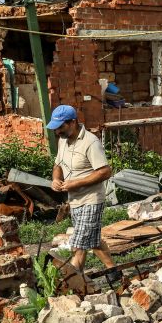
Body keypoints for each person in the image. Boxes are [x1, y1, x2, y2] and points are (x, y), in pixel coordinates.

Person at [47, 105, 115, 270]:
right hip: (75, 201)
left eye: (60, 127)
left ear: (73, 122)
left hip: (91, 199)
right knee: (93, 240)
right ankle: (114, 271)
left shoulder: (90, 142)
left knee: (78, 245)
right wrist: (56, 179)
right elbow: (58, 165)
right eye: (55, 128)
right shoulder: (63, 141)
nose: (57, 132)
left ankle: (72, 283)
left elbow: (105, 172)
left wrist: (76, 183)